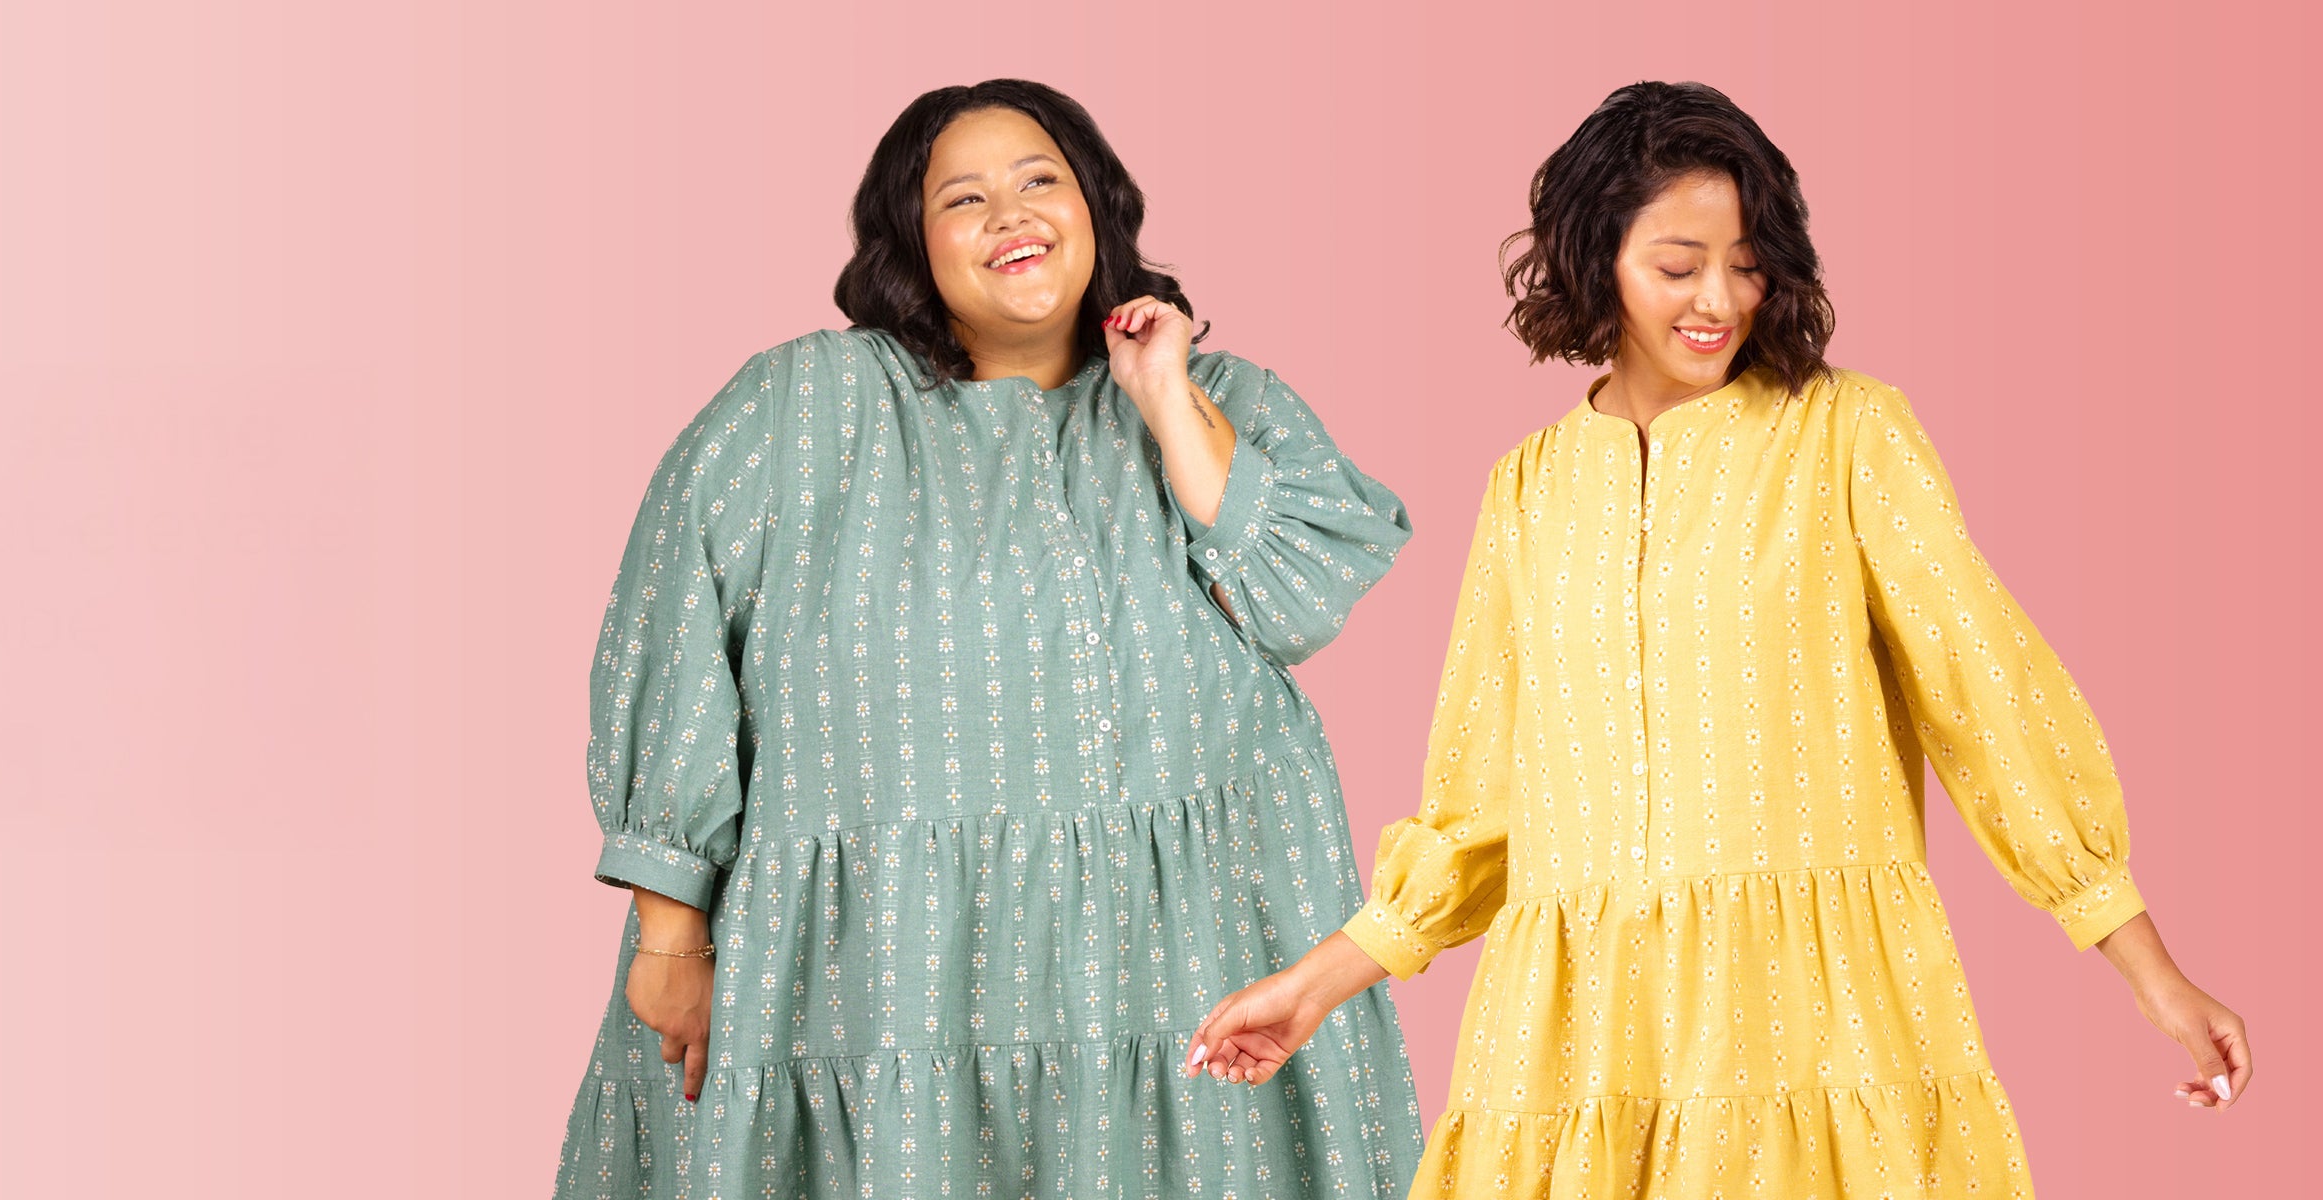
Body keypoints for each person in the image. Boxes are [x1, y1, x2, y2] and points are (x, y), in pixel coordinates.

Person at [1182, 81, 2253, 1196]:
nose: (1719, 299)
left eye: (1746, 262)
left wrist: (2149, 971)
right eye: (1677, 264)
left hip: (1811, 1019)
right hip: (1581, 1044)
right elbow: (1483, 806)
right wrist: (1309, 989)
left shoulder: (1848, 435)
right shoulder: (1527, 489)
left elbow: (1984, 694)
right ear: (1596, 263)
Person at [553, 79, 1426, 1198]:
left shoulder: (1221, 402)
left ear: (1096, 207)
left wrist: (1163, 395)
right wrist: (671, 937)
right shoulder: (801, 407)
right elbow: (667, 644)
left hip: (1180, 980)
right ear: (912, 244)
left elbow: (1295, 599)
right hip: (863, 987)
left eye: (1039, 182)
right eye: (963, 198)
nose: (1010, 215)